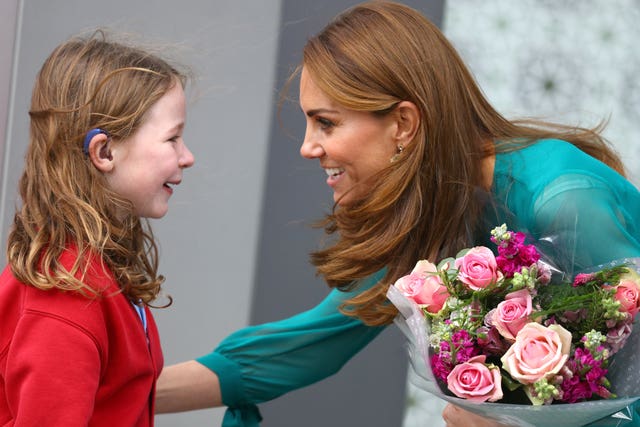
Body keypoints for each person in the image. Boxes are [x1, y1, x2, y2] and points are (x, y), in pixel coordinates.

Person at [155, 1, 640, 426]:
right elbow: (308, 345)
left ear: (404, 123)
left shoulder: (563, 202)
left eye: (326, 122)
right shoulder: (436, 207)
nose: (307, 147)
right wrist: (116, 389)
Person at [0, 31, 195, 426]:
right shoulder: (66, 296)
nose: (187, 157)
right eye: (173, 138)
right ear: (104, 152)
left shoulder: (95, 276)